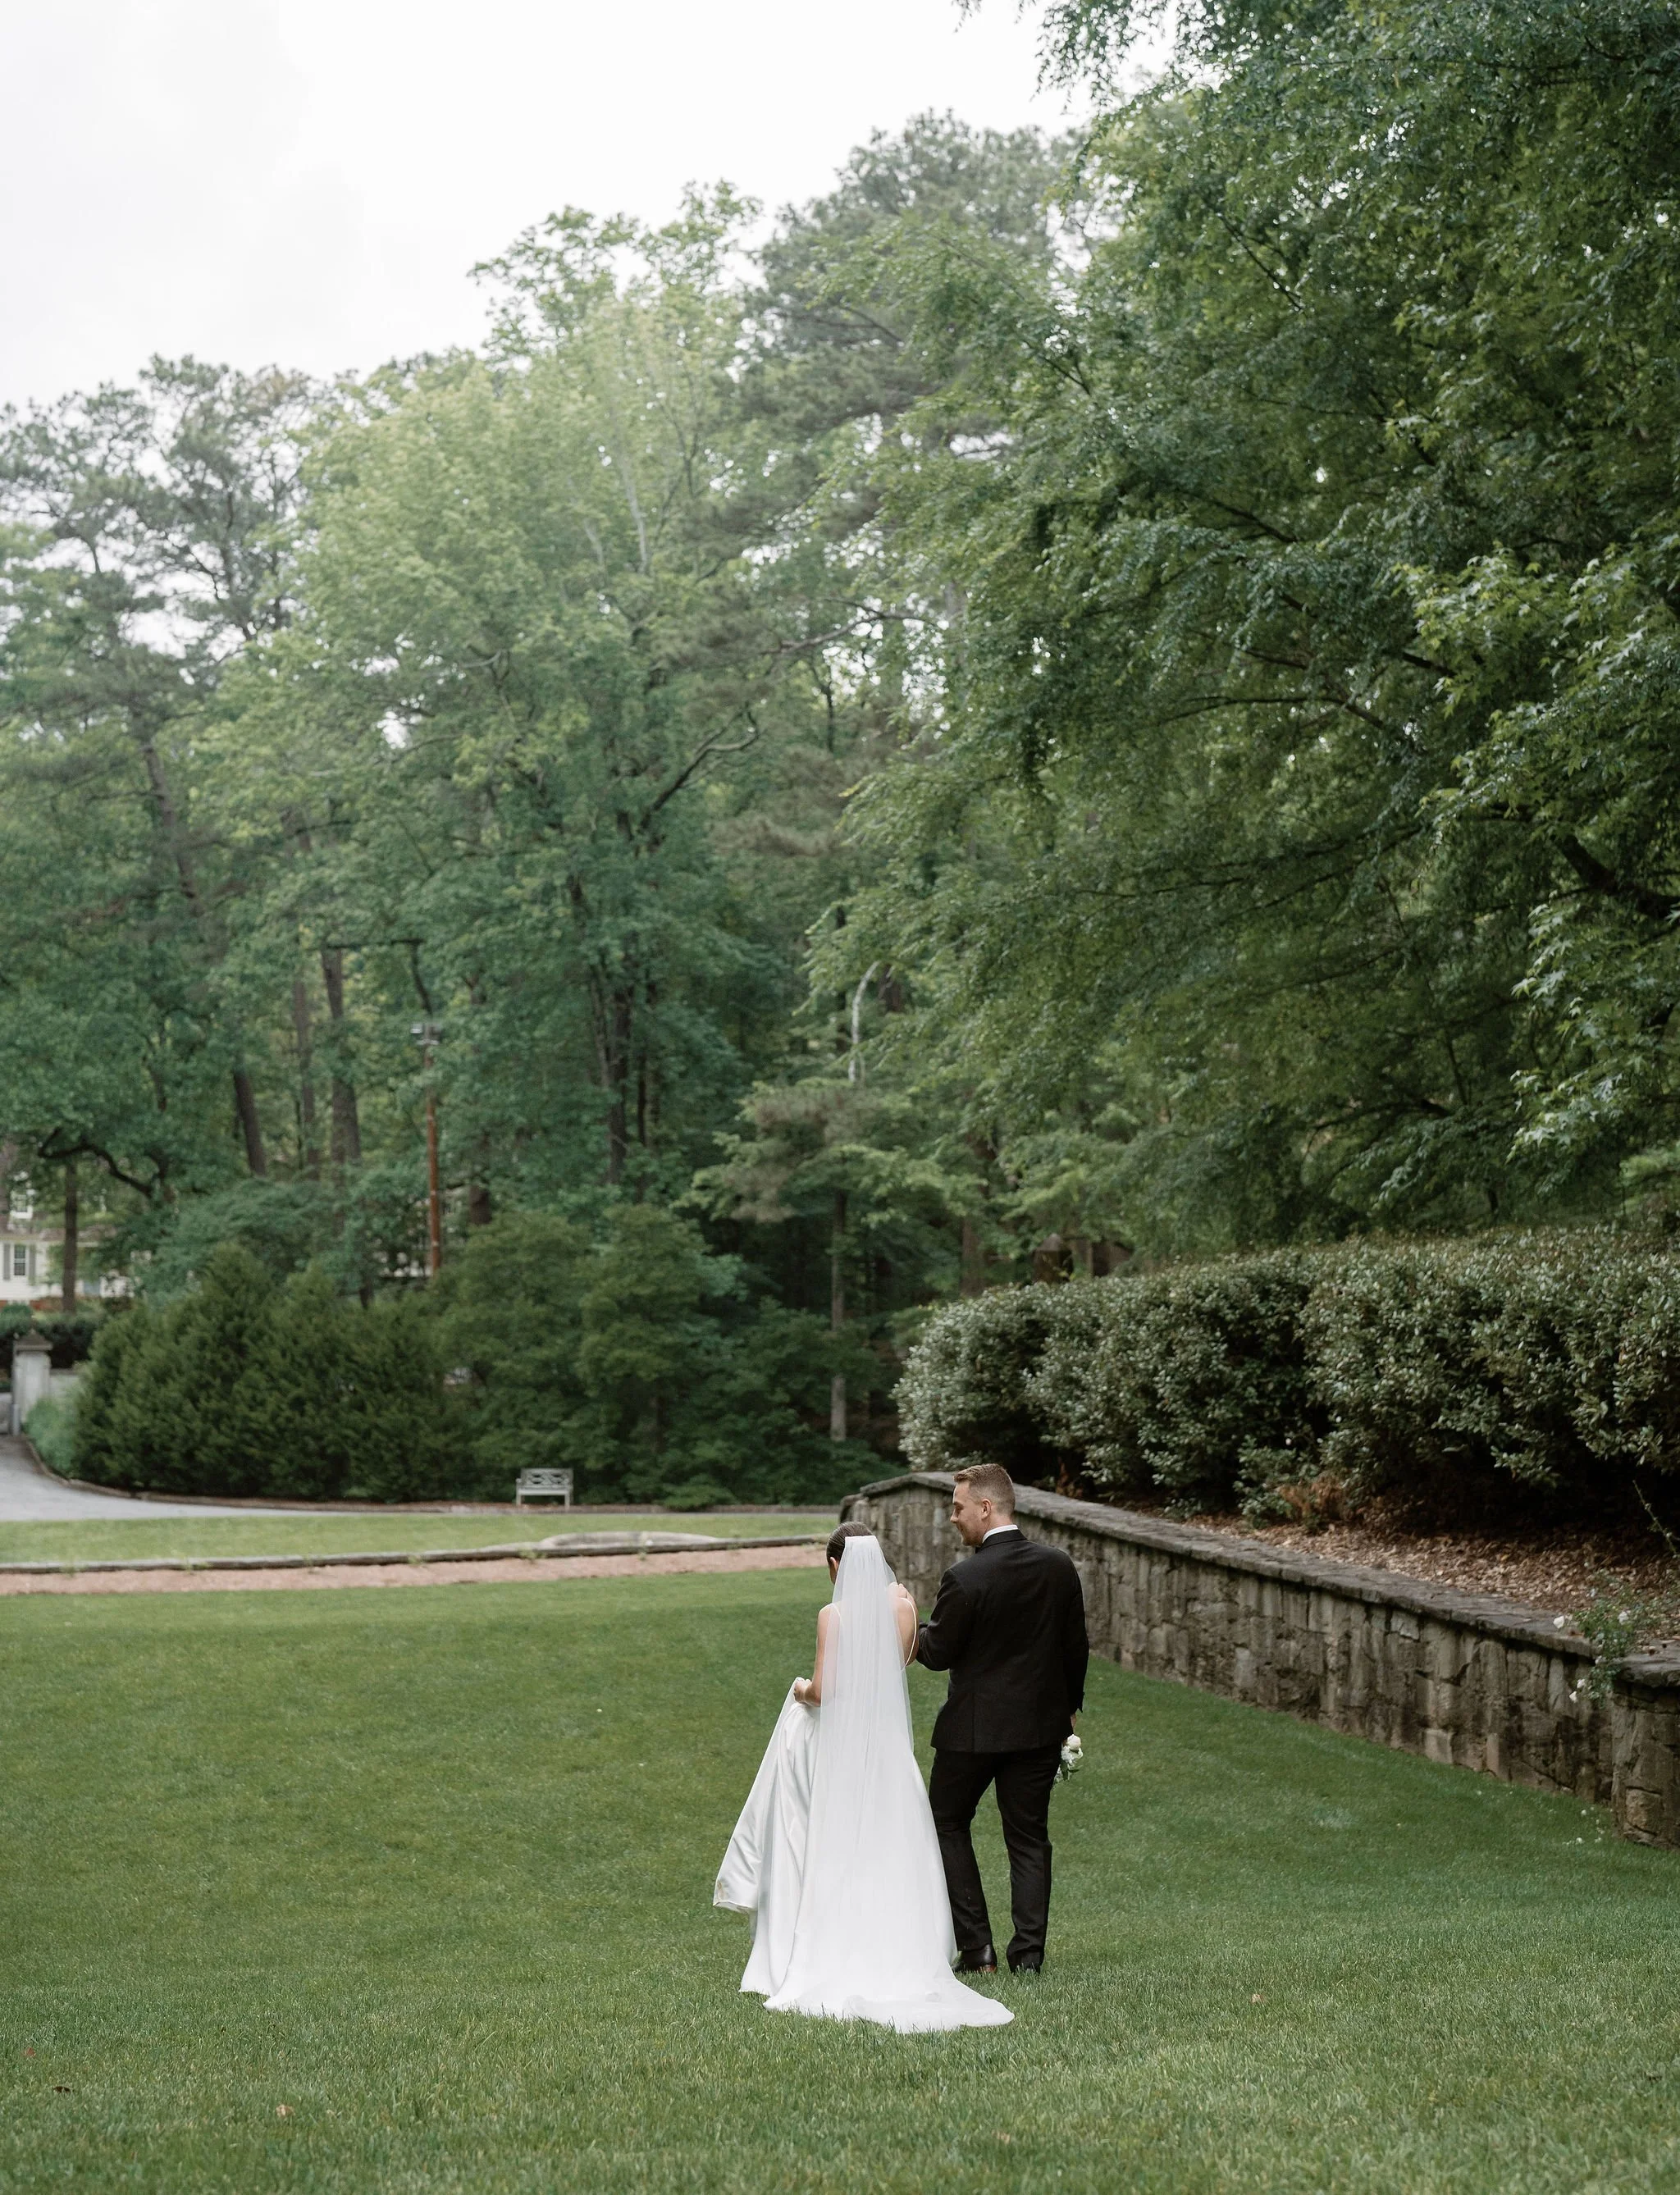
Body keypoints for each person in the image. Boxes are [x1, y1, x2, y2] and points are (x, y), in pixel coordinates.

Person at [714, 1522, 1012, 2033]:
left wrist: (800, 1688)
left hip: (846, 1754)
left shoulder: (835, 1615)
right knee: (891, 1848)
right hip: (891, 1753)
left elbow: (827, 1692)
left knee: (840, 1848)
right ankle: (906, 1947)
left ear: (835, 1566)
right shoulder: (904, 1607)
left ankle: (830, 1944)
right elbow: (900, 1664)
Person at [916, 1463, 1089, 1976]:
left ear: (986, 1508)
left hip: (972, 1733)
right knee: (1029, 1838)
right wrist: (1069, 1718)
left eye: (958, 1507)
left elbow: (939, 1651)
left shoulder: (965, 1577)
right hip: (1039, 1730)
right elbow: (1075, 1648)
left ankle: (978, 1951)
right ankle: (1028, 1959)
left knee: (946, 1822)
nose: (953, 1517)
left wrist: (906, 1624)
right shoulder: (1058, 1567)